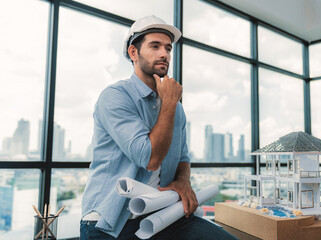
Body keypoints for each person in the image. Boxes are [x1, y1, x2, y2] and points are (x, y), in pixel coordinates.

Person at [80, 15, 238, 240]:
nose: (164, 54)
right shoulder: (115, 97)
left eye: (168, 48)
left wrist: (182, 180)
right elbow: (150, 158)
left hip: (162, 215)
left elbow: (183, 157)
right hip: (110, 221)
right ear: (133, 53)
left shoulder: (176, 108)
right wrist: (170, 103)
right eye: (154, 46)